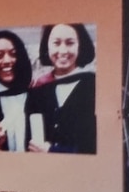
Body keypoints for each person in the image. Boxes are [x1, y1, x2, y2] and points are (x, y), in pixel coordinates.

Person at [25, 23, 97, 154]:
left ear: (80, 46)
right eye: (56, 43)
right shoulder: (37, 92)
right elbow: (30, 143)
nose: (63, 51)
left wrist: (53, 150)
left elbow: (97, 146)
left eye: (70, 43)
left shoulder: (95, 87)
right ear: (47, 46)